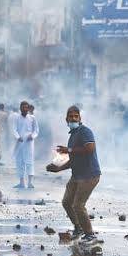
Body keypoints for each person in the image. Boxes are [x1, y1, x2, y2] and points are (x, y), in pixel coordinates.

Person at [47, 105, 101, 245]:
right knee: (66, 202)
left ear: (80, 118)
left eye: (76, 116)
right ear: (66, 119)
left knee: (78, 205)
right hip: (77, 175)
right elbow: (74, 159)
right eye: (70, 116)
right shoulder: (73, 135)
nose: (73, 118)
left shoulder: (84, 132)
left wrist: (68, 149)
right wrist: (59, 169)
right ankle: (78, 228)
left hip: (89, 175)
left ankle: (90, 235)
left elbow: (89, 149)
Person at [13, 100, 39, 189]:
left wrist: (33, 136)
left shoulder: (32, 118)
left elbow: (36, 130)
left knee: (29, 161)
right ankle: (21, 182)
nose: (24, 109)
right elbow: (14, 129)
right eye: (23, 107)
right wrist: (17, 137)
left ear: (28, 108)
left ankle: (30, 182)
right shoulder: (16, 118)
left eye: (26, 107)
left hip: (29, 143)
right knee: (19, 162)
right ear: (20, 108)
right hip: (19, 143)